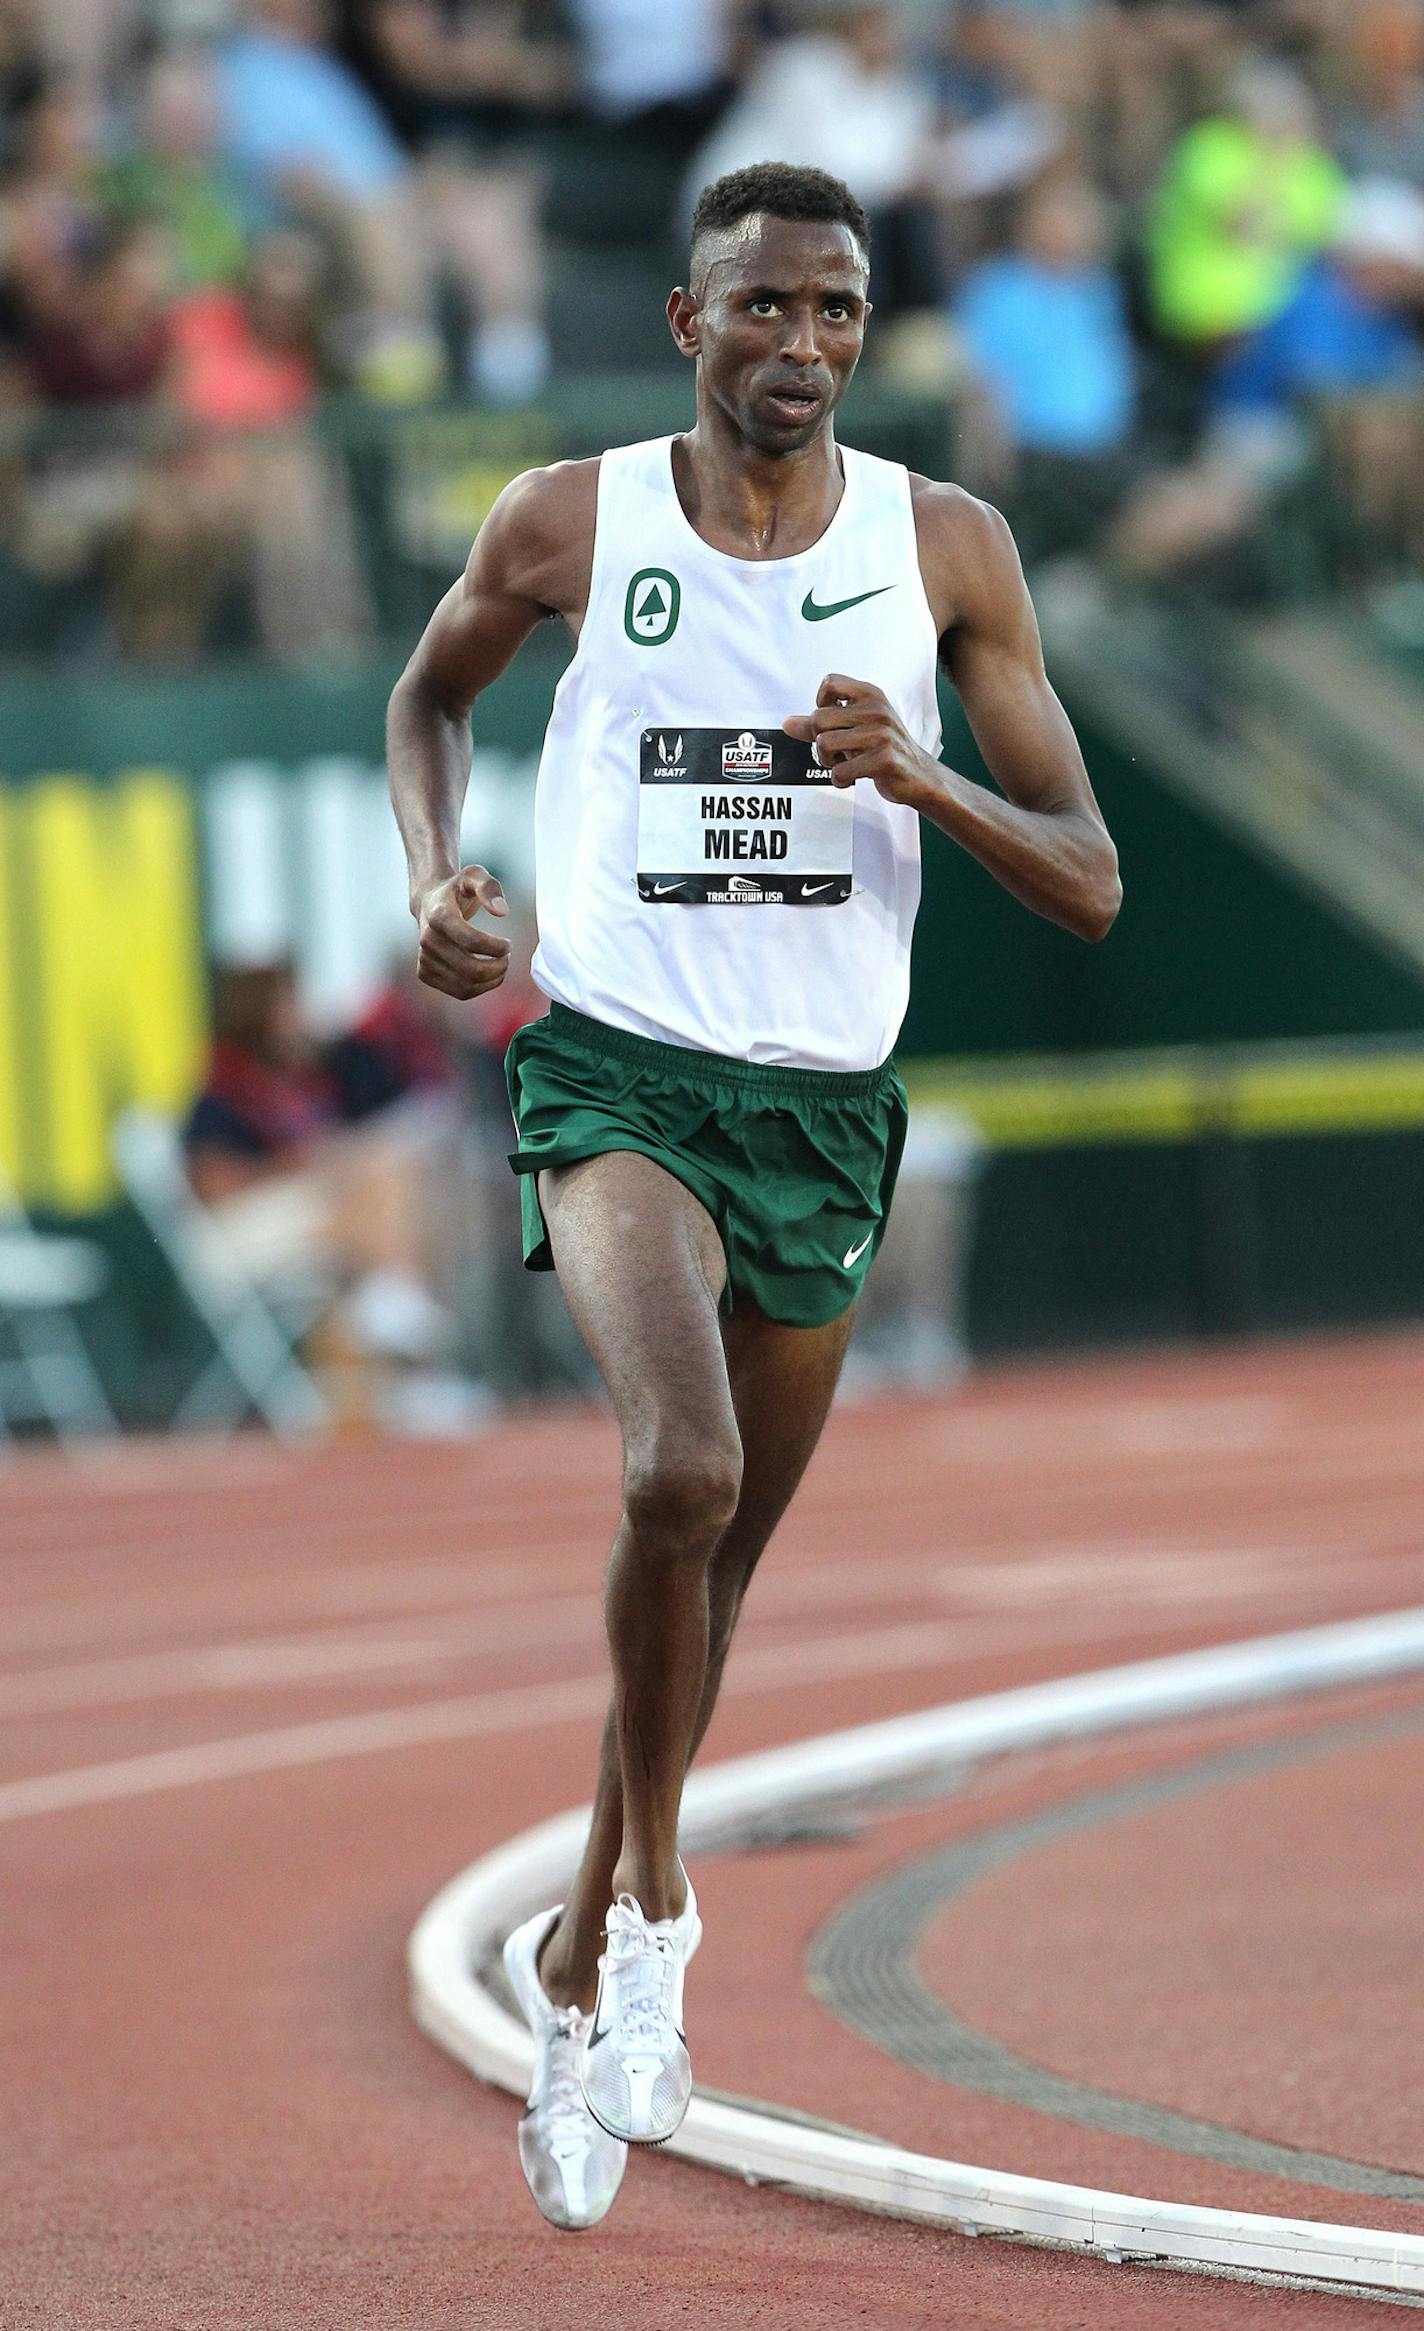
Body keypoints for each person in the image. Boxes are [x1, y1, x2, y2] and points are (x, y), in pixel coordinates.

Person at [386, 158, 1120, 2231]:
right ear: (687, 324)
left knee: (720, 1579)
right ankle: (659, 1915)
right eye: (763, 308)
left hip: (824, 1104)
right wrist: (435, 880)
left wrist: (925, 779)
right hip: (619, 1059)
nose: (799, 343)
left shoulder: (945, 546)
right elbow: (428, 697)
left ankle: (579, 1930)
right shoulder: (567, 515)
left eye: (834, 313)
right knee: (674, 1473)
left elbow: (1089, 879)